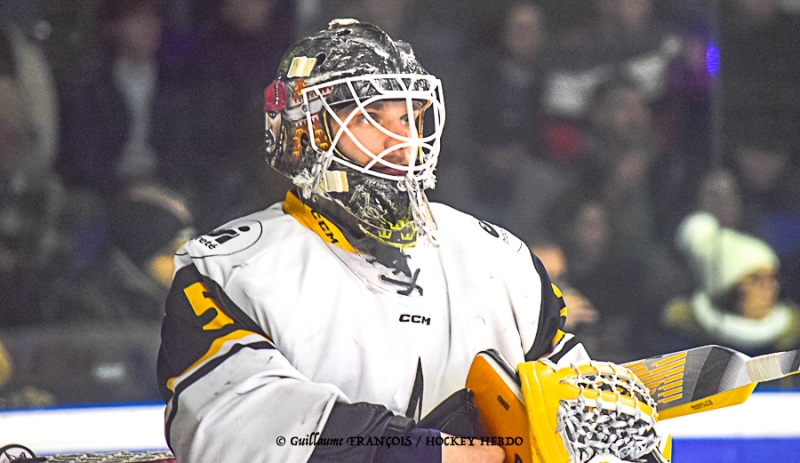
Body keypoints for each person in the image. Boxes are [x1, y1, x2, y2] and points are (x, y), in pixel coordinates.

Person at [157, 20, 666, 463]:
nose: (401, 141)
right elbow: (234, 429)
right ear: (304, 133)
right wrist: (423, 451)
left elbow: (572, 399)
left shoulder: (500, 260)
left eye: (406, 117)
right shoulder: (228, 269)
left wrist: (606, 437)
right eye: (369, 119)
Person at [662, 212, 800, 363]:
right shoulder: (686, 336)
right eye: (755, 279)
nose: (769, 288)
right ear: (727, 290)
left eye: (772, 278)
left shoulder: (792, 338)